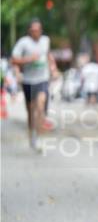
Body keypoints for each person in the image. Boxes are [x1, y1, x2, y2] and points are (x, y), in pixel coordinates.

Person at [10, 19, 54, 151]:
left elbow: (48, 55)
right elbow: (14, 59)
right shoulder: (23, 42)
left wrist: (53, 67)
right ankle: (32, 134)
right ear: (30, 31)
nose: (37, 33)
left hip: (42, 79)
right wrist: (29, 59)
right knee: (30, 111)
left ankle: (40, 138)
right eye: (34, 30)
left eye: (39, 30)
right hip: (28, 80)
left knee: (40, 105)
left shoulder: (46, 40)